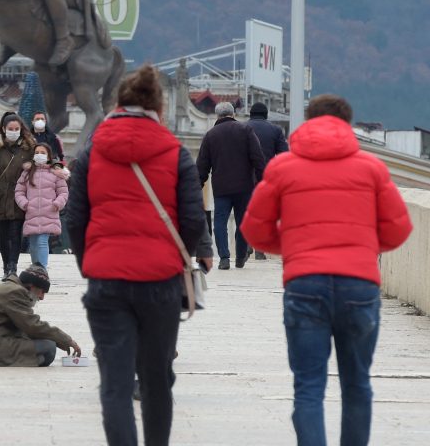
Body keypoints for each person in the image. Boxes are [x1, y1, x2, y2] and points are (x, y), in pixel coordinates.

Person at [241, 94, 413, 446]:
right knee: (357, 385)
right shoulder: (371, 168)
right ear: (346, 124)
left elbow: (254, 230)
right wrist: (362, 249)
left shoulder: (282, 167)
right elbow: (398, 228)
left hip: (305, 284)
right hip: (359, 286)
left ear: (308, 121)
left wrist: (292, 248)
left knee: (308, 388)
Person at [65, 63, 209, 446]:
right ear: (158, 108)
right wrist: (178, 257)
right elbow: (195, 220)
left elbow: (75, 218)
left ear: (118, 105)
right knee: (156, 380)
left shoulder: (92, 151)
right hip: (160, 283)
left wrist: (90, 263)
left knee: (114, 382)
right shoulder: (175, 151)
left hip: (106, 281)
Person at [0, 263, 81, 367]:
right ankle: (28, 360)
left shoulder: (9, 288)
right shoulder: (16, 293)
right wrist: (66, 340)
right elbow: (32, 326)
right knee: (49, 348)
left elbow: (25, 327)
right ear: (33, 286)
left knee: (43, 342)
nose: (42, 297)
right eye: (42, 292)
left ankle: (29, 359)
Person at [196, 101, 266, 269]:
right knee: (243, 222)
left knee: (220, 222)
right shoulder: (246, 130)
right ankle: (240, 257)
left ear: (217, 116)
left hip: (221, 187)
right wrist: (262, 180)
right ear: (233, 115)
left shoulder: (211, 135)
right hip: (244, 186)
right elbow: (258, 158)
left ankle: (224, 258)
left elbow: (202, 166)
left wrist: (196, 185)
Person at [0, 112, 34, 280]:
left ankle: (12, 267)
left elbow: (46, 159)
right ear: (4, 129)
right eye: (10, 129)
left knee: (15, 233)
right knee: (4, 235)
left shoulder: (29, 147)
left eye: (16, 128)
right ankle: (6, 267)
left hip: (20, 197)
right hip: (1, 197)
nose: (13, 131)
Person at [14, 143, 69, 268]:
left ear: (49, 156)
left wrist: (57, 203)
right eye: (37, 152)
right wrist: (24, 203)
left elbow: (63, 192)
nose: (39, 155)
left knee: (42, 242)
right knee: (33, 245)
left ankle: (42, 268)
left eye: (43, 153)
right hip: (32, 213)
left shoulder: (56, 174)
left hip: (49, 213)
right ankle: (35, 266)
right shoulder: (27, 173)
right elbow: (19, 191)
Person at [246, 101, 289, 261]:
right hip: (266, 175)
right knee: (263, 212)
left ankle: (246, 245)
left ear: (251, 114)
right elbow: (284, 155)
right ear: (266, 115)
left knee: (246, 209)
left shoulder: (243, 127)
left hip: (246, 174)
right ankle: (259, 250)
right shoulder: (275, 130)